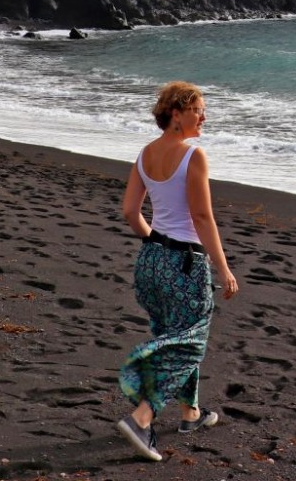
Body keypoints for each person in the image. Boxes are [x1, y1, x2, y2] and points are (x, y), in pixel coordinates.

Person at [115, 81, 239, 462]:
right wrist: (223, 268)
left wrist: (157, 243)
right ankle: (142, 417)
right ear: (176, 113)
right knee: (191, 341)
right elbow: (202, 217)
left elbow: (130, 213)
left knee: (177, 335)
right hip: (185, 263)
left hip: (151, 261)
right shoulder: (192, 156)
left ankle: (190, 414)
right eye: (199, 109)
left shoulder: (145, 154)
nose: (204, 116)